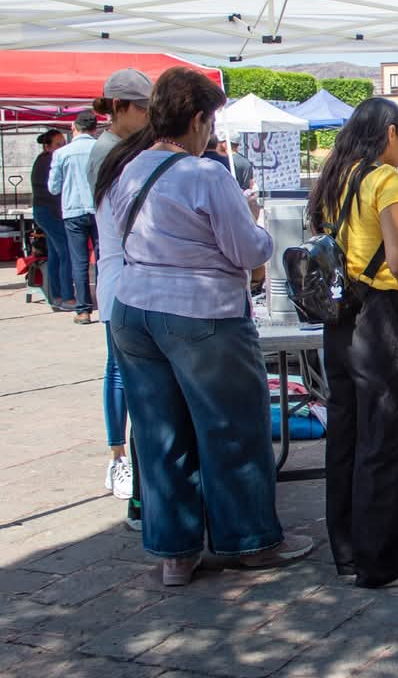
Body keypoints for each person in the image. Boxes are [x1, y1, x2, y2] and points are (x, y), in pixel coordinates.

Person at [96, 67, 313, 587]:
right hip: (199, 311)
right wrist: (260, 233)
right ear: (198, 119)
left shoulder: (126, 168)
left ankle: (175, 552)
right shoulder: (205, 173)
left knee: (159, 433)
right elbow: (249, 250)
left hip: (134, 309)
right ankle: (249, 540)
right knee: (231, 428)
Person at [306, 98, 398, 588]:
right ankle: (381, 562)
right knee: (382, 439)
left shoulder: (337, 176)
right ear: (389, 134)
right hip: (378, 319)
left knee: (344, 437)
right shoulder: (384, 180)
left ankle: (347, 552)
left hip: (338, 319)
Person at [88, 68, 152, 515]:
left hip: (129, 285)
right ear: (118, 108)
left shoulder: (126, 149)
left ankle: (139, 487)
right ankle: (121, 463)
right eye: (143, 109)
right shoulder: (109, 153)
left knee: (136, 382)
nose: (149, 116)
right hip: (121, 285)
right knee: (126, 377)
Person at [48, 110, 100, 325]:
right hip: (98, 210)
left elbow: (53, 187)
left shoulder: (62, 154)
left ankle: (83, 310)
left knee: (79, 262)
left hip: (73, 211)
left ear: (74, 127)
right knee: (102, 259)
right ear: (95, 129)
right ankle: (106, 304)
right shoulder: (102, 149)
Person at [30, 129, 75, 311]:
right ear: (47, 147)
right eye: (58, 145)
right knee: (65, 251)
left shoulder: (44, 159)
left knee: (56, 253)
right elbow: (54, 190)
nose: (62, 148)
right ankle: (66, 297)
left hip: (46, 211)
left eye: (63, 144)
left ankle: (57, 295)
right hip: (50, 212)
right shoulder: (49, 161)